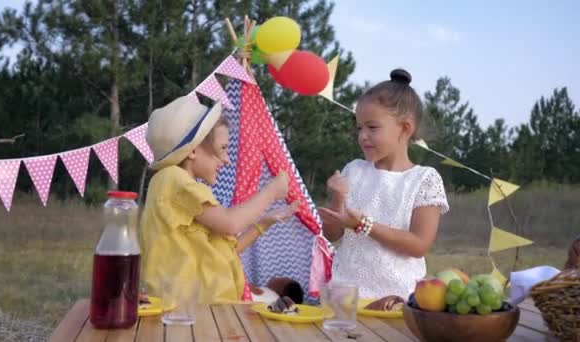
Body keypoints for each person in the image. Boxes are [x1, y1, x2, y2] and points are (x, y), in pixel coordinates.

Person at [141, 96, 297, 304]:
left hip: (202, 308)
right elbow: (230, 224)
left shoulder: (183, 192)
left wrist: (263, 223)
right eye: (222, 148)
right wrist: (270, 192)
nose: (227, 159)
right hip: (186, 310)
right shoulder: (172, 178)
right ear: (193, 149)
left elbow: (224, 251)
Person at [318, 69, 449, 299]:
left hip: (396, 300)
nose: (363, 136)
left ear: (405, 129)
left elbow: (419, 244)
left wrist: (364, 225)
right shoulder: (354, 170)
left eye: (372, 127)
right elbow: (331, 233)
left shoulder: (424, 180)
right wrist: (338, 197)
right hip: (345, 297)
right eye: (359, 128)